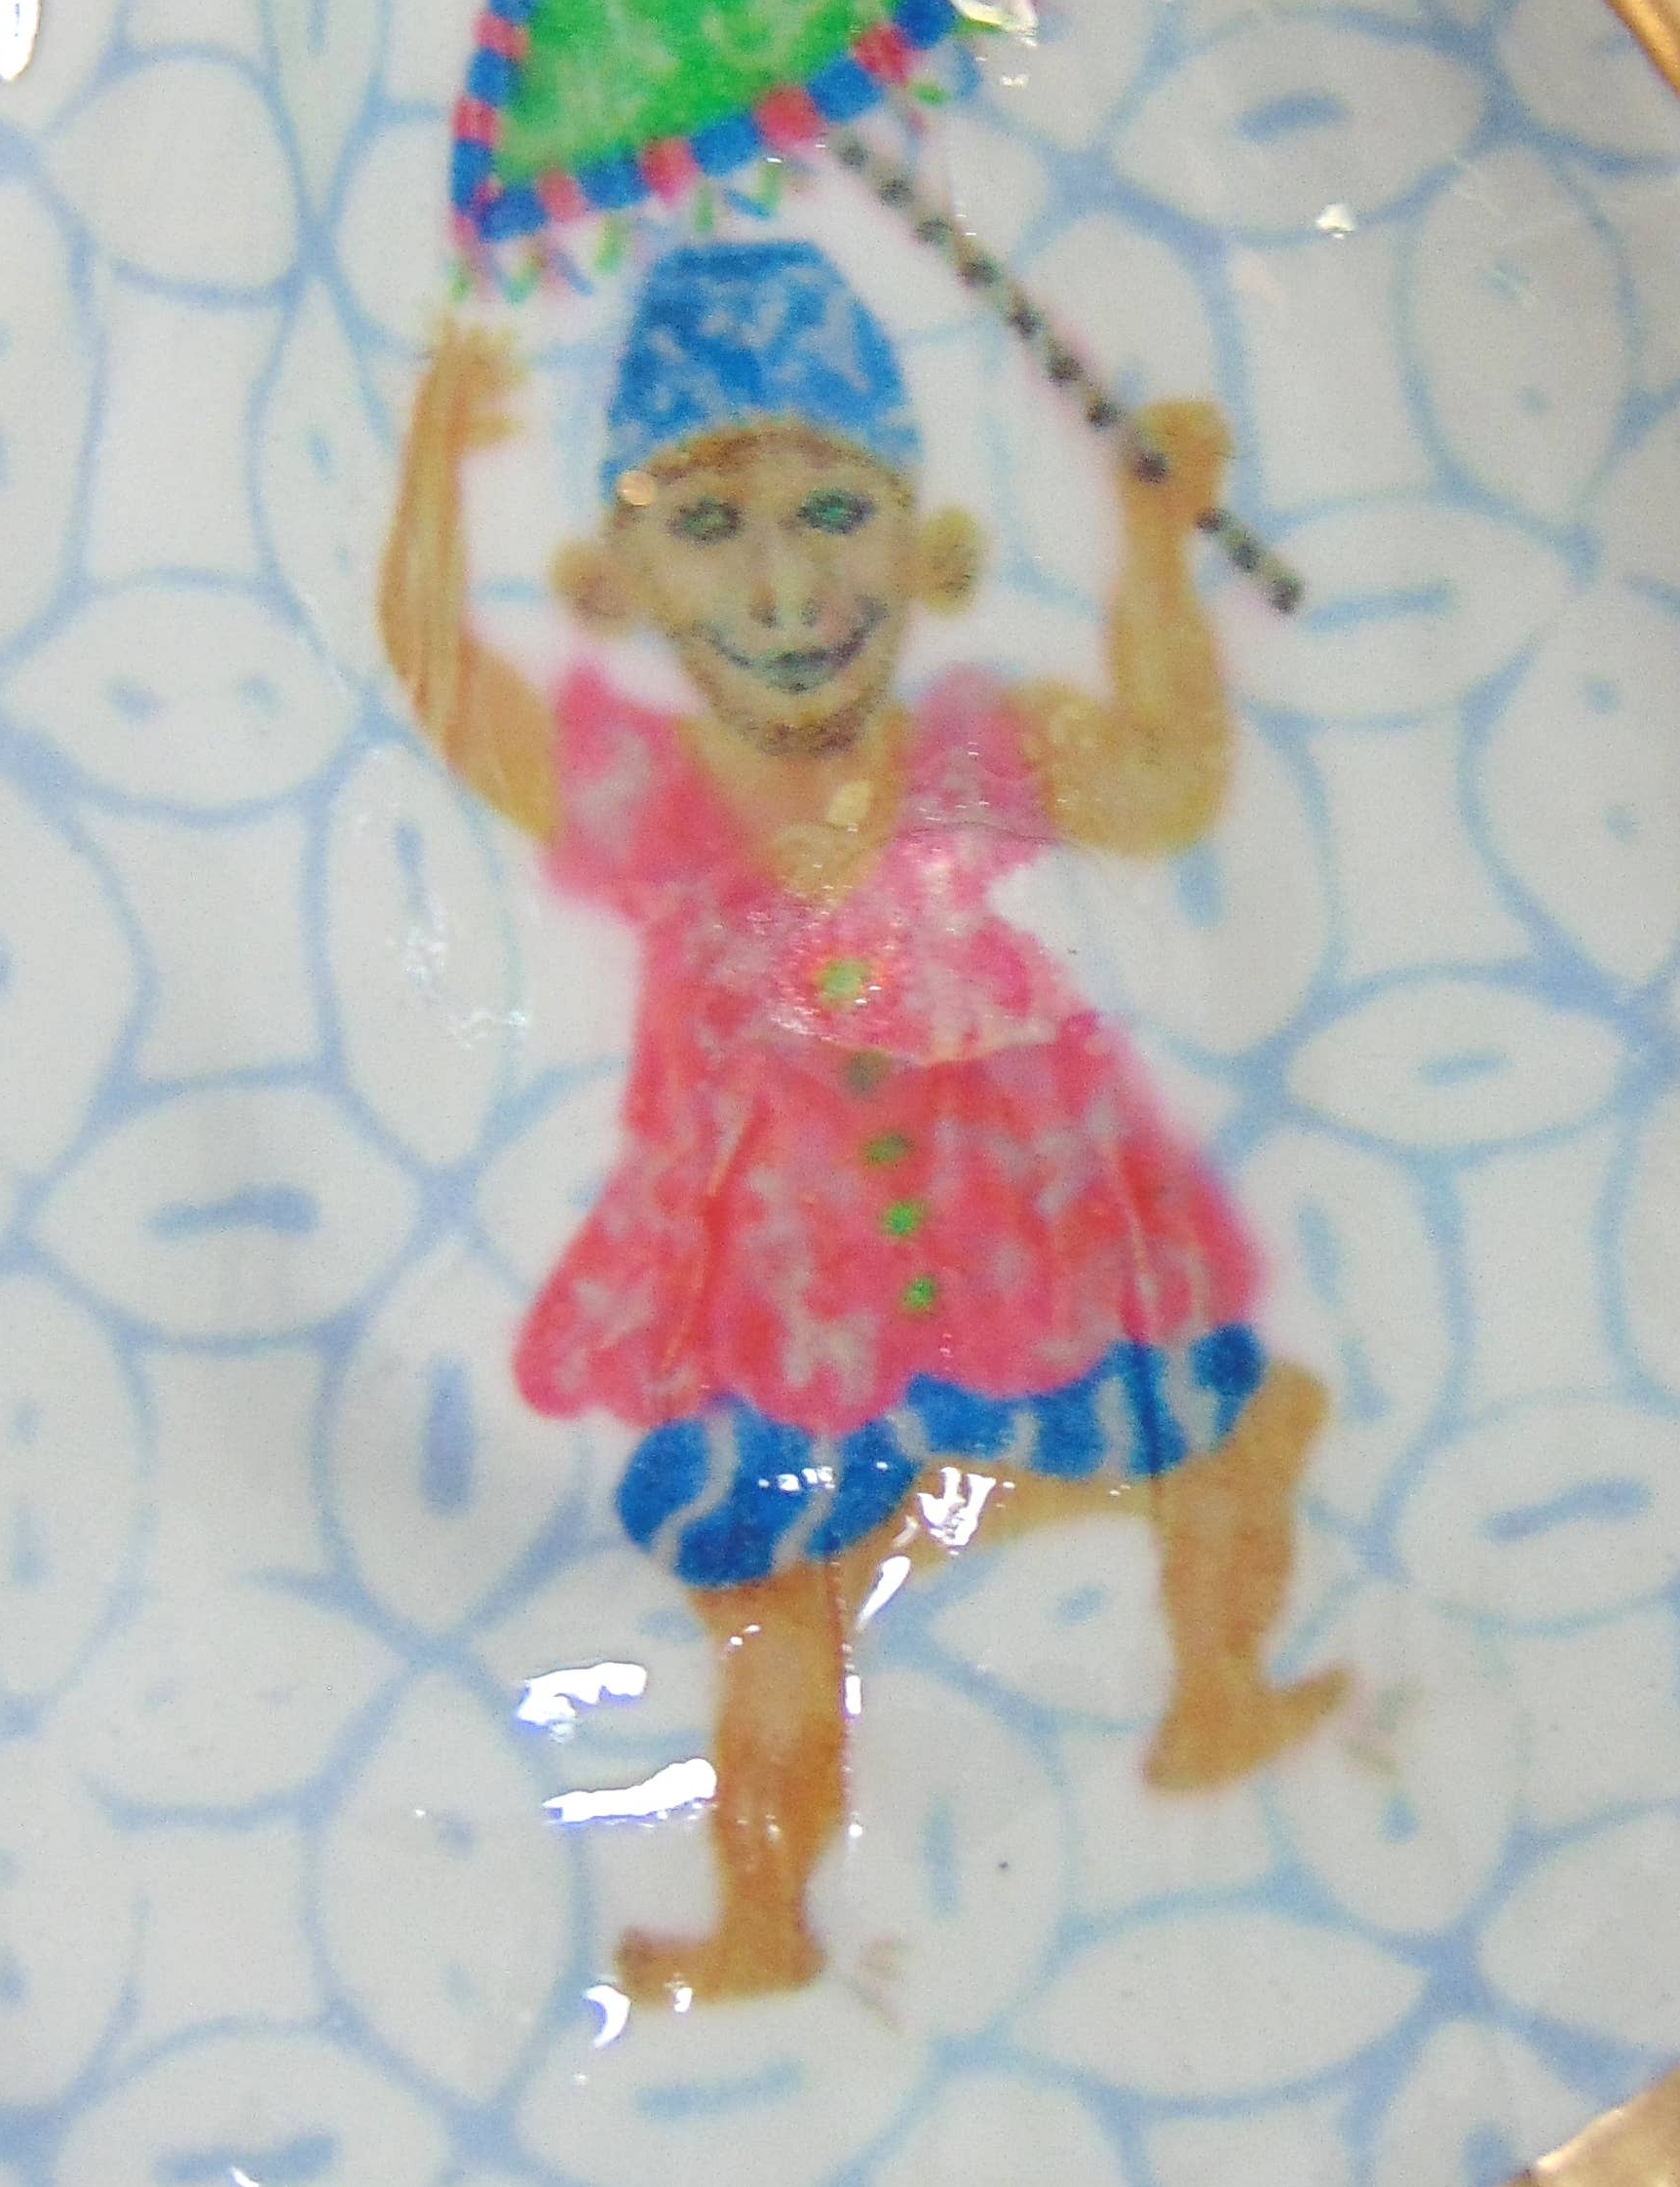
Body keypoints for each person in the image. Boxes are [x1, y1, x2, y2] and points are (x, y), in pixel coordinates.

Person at [379, 233, 1342, 2006]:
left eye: (834, 513)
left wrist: (1150, 546)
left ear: (925, 546)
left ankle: (1215, 1705)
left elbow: (1167, 779)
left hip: (1023, 1269)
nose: (783, 584)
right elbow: (441, 678)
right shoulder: (643, 794)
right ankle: (764, 1922)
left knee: (1243, 1433)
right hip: (789, 1312)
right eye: (707, 524)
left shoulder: (980, 749)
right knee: (775, 1606)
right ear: (613, 579)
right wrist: (430, 470)